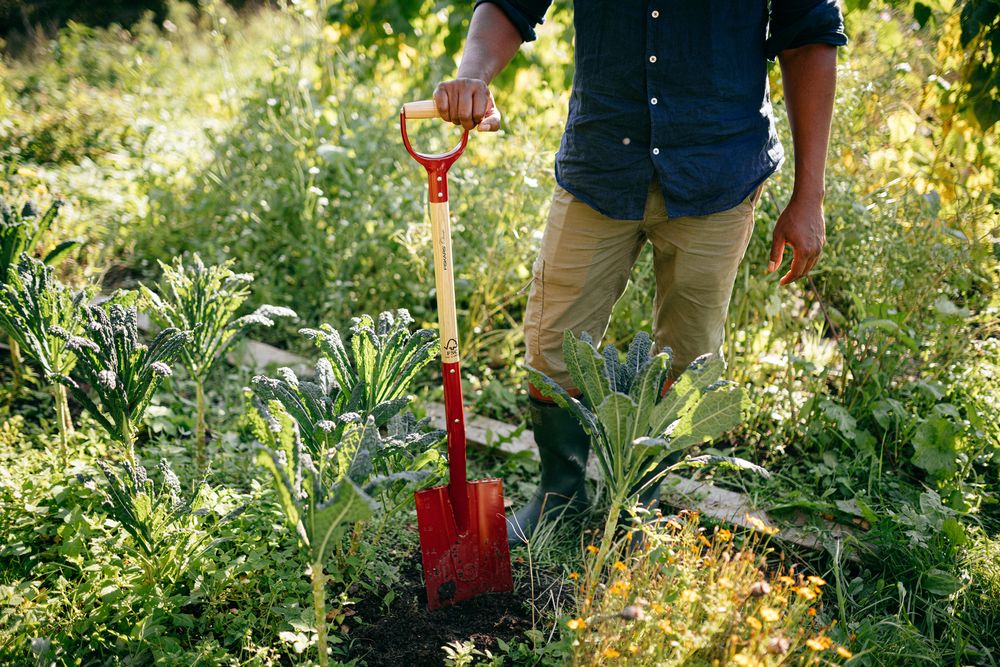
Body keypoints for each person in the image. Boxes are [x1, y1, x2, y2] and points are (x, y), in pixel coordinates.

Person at [433, 1, 847, 545]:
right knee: (552, 343)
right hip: (602, 160)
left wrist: (809, 195)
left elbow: (808, 37)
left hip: (717, 170)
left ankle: (641, 502)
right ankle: (558, 497)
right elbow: (510, 4)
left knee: (688, 355)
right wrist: (473, 74)